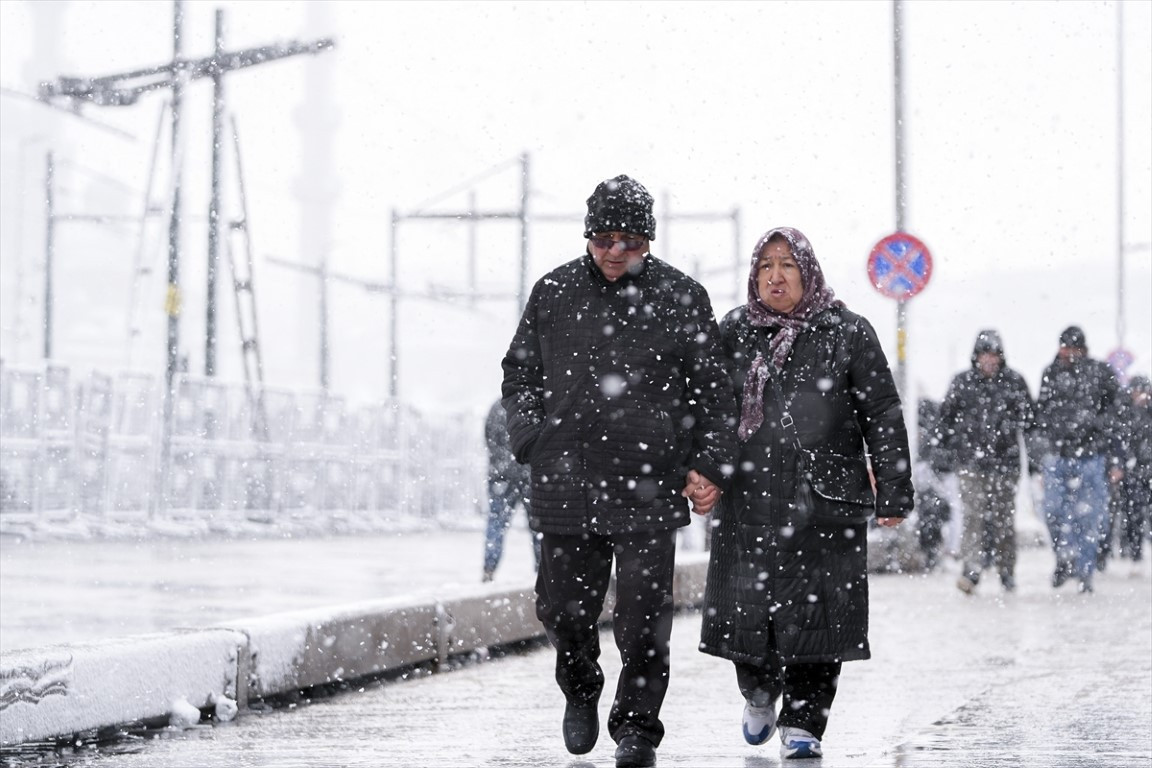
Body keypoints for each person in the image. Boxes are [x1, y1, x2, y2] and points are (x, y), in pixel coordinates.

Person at [500, 174, 738, 768]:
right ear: (588, 237)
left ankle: (637, 729)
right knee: (563, 611)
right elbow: (520, 375)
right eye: (603, 238)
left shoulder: (682, 297)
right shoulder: (553, 293)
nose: (614, 251)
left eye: (628, 240)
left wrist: (708, 463)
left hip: (648, 484)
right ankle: (579, 685)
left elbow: (715, 393)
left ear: (648, 242)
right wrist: (532, 438)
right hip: (565, 483)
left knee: (642, 621)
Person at [699, 227, 914, 760]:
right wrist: (700, 470)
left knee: (821, 617)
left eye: (788, 265)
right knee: (746, 610)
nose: (776, 275)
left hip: (824, 499)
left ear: (809, 273)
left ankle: (804, 721)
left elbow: (882, 414)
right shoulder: (734, 332)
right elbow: (709, 412)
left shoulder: (848, 332)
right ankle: (759, 690)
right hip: (747, 497)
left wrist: (894, 489)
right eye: (766, 266)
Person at [934, 330, 1035, 595]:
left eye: (994, 355)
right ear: (976, 357)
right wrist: (941, 452)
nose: (989, 360)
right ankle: (972, 568)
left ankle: (1006, 570)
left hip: (1005, 464)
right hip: (971, 463)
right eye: (985, 355)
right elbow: (945, 420)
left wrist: (1031, 455)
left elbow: (1030, 423)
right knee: (973, 517)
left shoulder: (1014, 383)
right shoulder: (962, 383)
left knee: (1003, 520)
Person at [1031, 325, 1119, 593]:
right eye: (1065, 348)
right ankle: (1064, 558)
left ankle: (1085, 570)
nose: (1069, 353)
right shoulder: (1051, 373)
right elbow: (1041, 417)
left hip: (1091, 456)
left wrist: (1111, 454)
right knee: (1054, 511)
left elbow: (1116, 414)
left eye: (1073, 348)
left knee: (1089, 518)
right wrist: (1039, 461)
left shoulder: (1100, 373)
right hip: (1057, 456)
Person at [482, 397, 538, 582]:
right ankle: (543, 570)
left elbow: (490, 440)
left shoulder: (498, 407)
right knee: (538, 525)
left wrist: (504, 463)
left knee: (497, 523)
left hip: (502, 476)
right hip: (529, 475)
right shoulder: (533, 407)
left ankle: (489, 570)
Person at [1110, 375, 1152, 574]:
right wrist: (1120, 465)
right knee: (1132, 514)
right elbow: (1118, 443)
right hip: (1132, 472)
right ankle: (1135, 553)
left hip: (1145, 469)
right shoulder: (1125, 415)